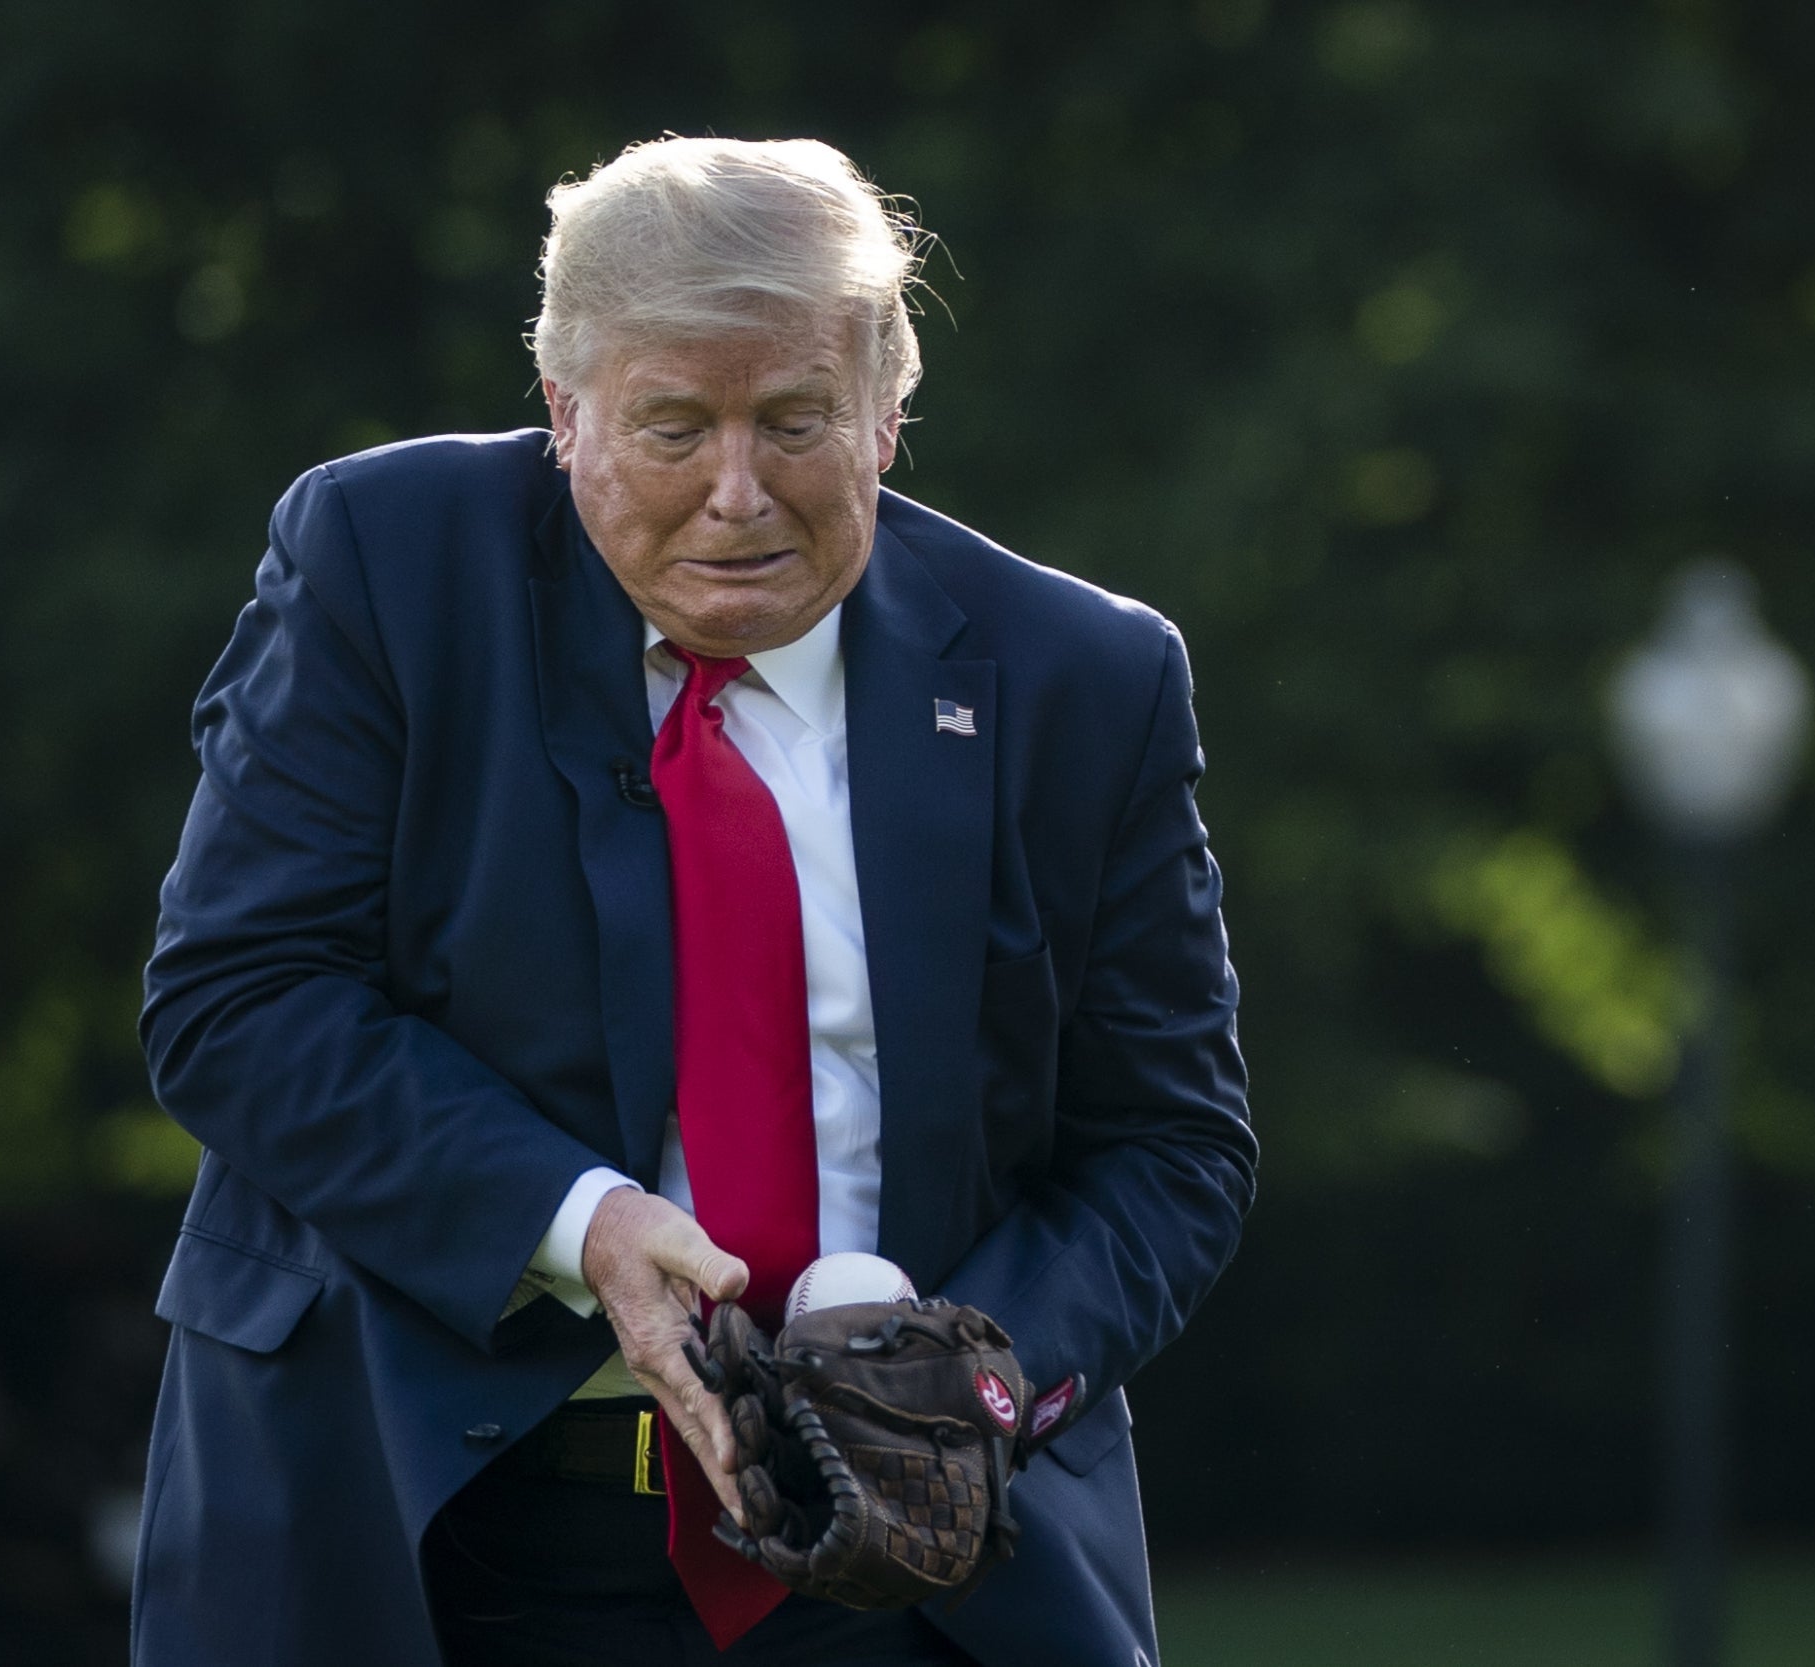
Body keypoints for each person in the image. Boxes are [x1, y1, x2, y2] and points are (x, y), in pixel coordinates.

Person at [132, 136, 1254, 1667]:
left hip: (913, 1565)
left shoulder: (1087, 680)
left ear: (886, 416)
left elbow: (1171, 1148)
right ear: (564, 415)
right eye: (673, 429)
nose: (738, 496)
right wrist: (580, 1223)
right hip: (432, 1539)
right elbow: (237, 1000)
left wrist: (982, 1379)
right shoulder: (385, 568)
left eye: (796, 421)